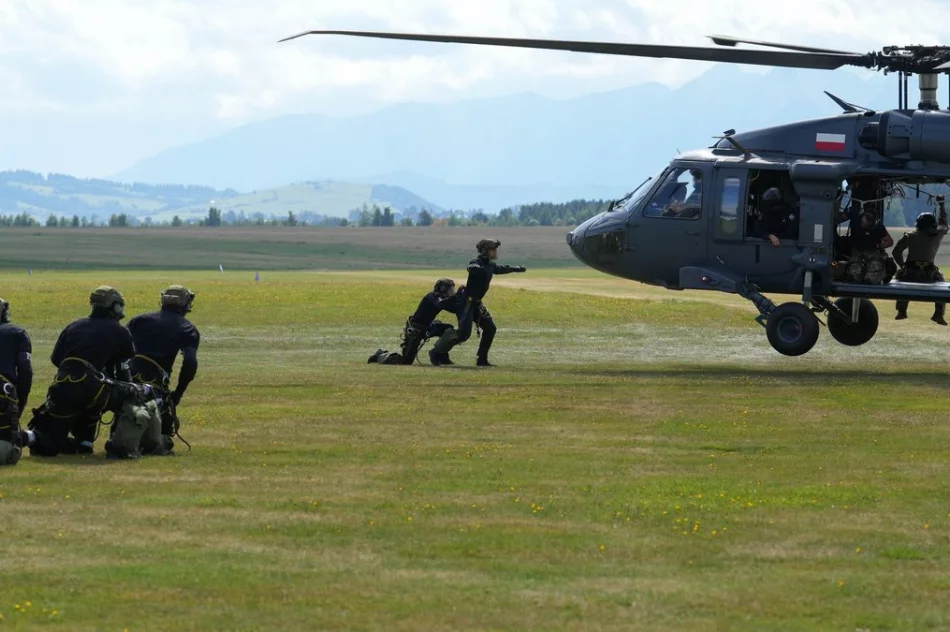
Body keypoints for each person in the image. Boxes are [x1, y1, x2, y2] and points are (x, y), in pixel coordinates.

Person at [22, 286, 158, 460]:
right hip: (94, 389)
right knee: (130, 394)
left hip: (62, 386)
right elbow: (123, 369)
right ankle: (120, 445)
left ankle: (26, 437)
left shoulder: (74, 326)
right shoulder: (120, 330)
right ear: (114, 306)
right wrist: (129, 387)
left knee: (51, 445)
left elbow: (56, 358)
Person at [126, 285, 200, 453]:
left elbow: (118, 346)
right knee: (164, 431)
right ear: (186, 304)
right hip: (156, 387)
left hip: (126, 382)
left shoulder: (139, 320)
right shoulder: (187, 328)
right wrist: (178, 394)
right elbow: (190, 363)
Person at [430, 240, 526, 367]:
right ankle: (436, 352)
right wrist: (476, 268)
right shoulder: (477, 263)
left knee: (490, 328)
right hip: (466, 302)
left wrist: (516, 269)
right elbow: (471, 266)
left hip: (476, 303)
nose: (495, 252)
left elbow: (501, 268)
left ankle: (482, 359)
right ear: (486, 251)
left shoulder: (490, 265)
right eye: (493, 249)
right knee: (463, 334)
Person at [368, 279, 463, 365]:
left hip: (428, 327)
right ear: (443, 289)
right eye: (451, 290)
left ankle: (440, 356)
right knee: (406, 360)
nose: (452, 292)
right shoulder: (432, 296)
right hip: (416, 330)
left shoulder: (441, 299)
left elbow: (453, 309)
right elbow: (441, 304)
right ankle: (380, 355)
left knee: (447, 328)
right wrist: (457, 296)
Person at [893, 196, 950, 325]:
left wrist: (902, 265)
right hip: (929, 274)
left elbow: (896, 252)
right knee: (941, 283)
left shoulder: (910, 236)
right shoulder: (938, 235)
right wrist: (941, 204)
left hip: (910, 273)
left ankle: (901, 311)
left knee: (901, 279)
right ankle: (938, 314)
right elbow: (944, 222)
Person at [0, 298, 32, 466]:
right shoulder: (18, 333)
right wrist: (21, 400)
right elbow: (25, 370)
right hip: (5, 397)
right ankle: (32, 437)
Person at [845, 211, 895, 284]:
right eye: (866, 220)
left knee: (871, 276)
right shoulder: (855, 221)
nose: (867, 224)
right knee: (854, 274)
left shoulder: (878, 227)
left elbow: (890, 242)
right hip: (857, 251)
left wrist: (878, 246)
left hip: (873, 252)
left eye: (870, 221)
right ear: (863, 217)